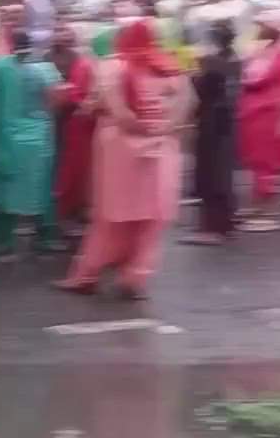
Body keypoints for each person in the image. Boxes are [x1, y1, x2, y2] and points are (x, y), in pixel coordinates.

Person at [54, 19, 193, 300]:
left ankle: (87, 275)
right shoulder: (171, 67)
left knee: (110, 216)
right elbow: (188, 104)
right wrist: (161, 128)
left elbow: (117, 112)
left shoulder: (112, 67)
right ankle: (135, 278)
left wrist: (94, 108)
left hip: (120, 149)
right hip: (161, 149)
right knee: (150, 218)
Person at [0, 29, 62, 259]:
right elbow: (55, 100)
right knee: (41, 187)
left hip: (4, 137)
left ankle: (3, 243)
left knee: (4, 188)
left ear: (8, 44)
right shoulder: (45, 69)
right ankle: (45, 238)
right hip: (39, 138)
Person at [182, 20, 241, 245]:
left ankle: (213, 228)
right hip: (226, 121)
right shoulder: (233, 59)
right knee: (222, 174)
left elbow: (202, 90)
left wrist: (193, 77)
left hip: (213, 122)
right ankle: (224, 224)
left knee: (211, 174)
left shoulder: (212, 63)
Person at [236, 9, 280, 232]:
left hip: (267, 112)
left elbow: (256, 80)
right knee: (257, 161)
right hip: (256, 112)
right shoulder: (263, 55)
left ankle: (268, 212)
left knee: (266, 161)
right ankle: (258, 207)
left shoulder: (276, 56)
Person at [51, 22, 97, 228]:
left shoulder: (81, 60)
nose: (64, 37)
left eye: (67, 34)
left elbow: (77, 92)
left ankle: (74, 209)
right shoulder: (49, 58)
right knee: (70, 165)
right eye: (60, 32)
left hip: (77, 118)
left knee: (76, 166)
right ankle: (68, 210)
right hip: (66, 117)